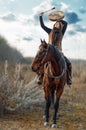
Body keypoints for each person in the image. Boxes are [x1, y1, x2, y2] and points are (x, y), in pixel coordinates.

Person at [38, 12, 72, 85]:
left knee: (69, 63)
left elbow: (65, 23)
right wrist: (40, 16)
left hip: (59, 52)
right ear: (54, 25)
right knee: (43, 62)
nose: (58, 24)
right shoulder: (50, 31)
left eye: (59, 24)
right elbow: (42, 25)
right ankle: (40, 76)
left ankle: (68, 78)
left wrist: (59, 19)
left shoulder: (62, 32)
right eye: (56, 23)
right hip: (50, 52)